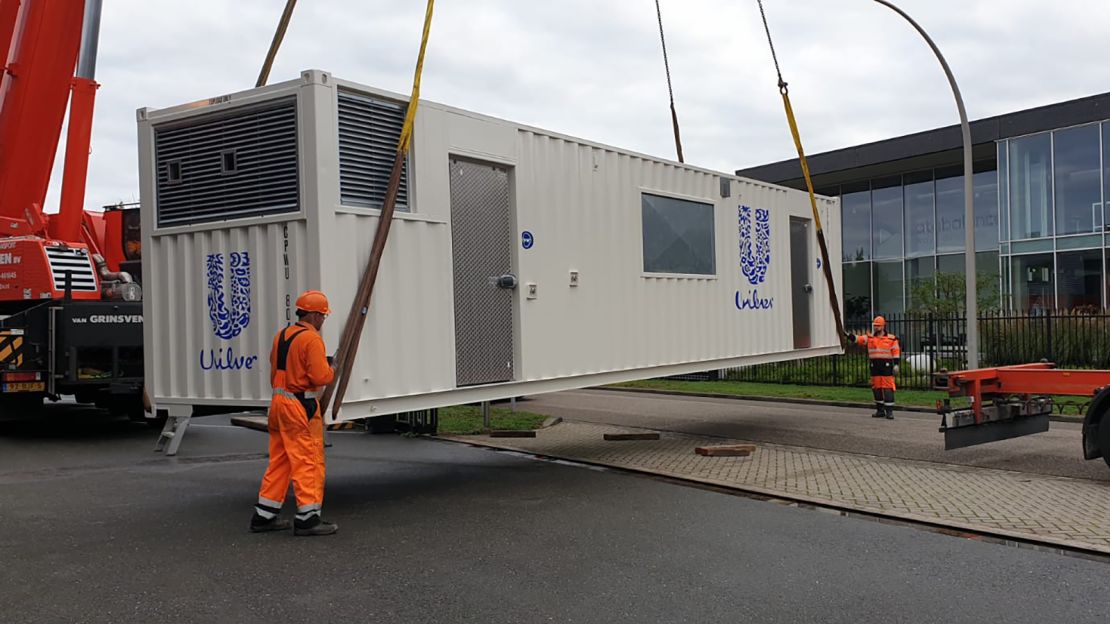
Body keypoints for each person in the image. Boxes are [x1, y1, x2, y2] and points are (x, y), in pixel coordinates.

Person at [250, 290, 338, 536]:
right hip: (299, 406)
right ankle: (308, 518)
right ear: (313, 315)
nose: (323, 321)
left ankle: (264, 515)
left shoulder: (282, 336)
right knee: (307, 460)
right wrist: (332, 368)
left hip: (278, 402)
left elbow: (275, 371)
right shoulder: (311, 340)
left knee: (280, 460)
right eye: (322, 316)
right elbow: (320, 377)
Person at [844, 316, 901, 420]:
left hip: (886, 366)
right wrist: (848, 335)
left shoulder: (892, 338)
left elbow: (896, 351)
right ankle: (880, 411)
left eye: (878, 326)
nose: (876, 327)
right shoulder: (869, 338)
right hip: (874, 366)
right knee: (876, 388)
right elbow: (858, 339)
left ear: (883, 325)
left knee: (888, 388)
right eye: (875, 326)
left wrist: (896, 364)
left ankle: (889, 412)